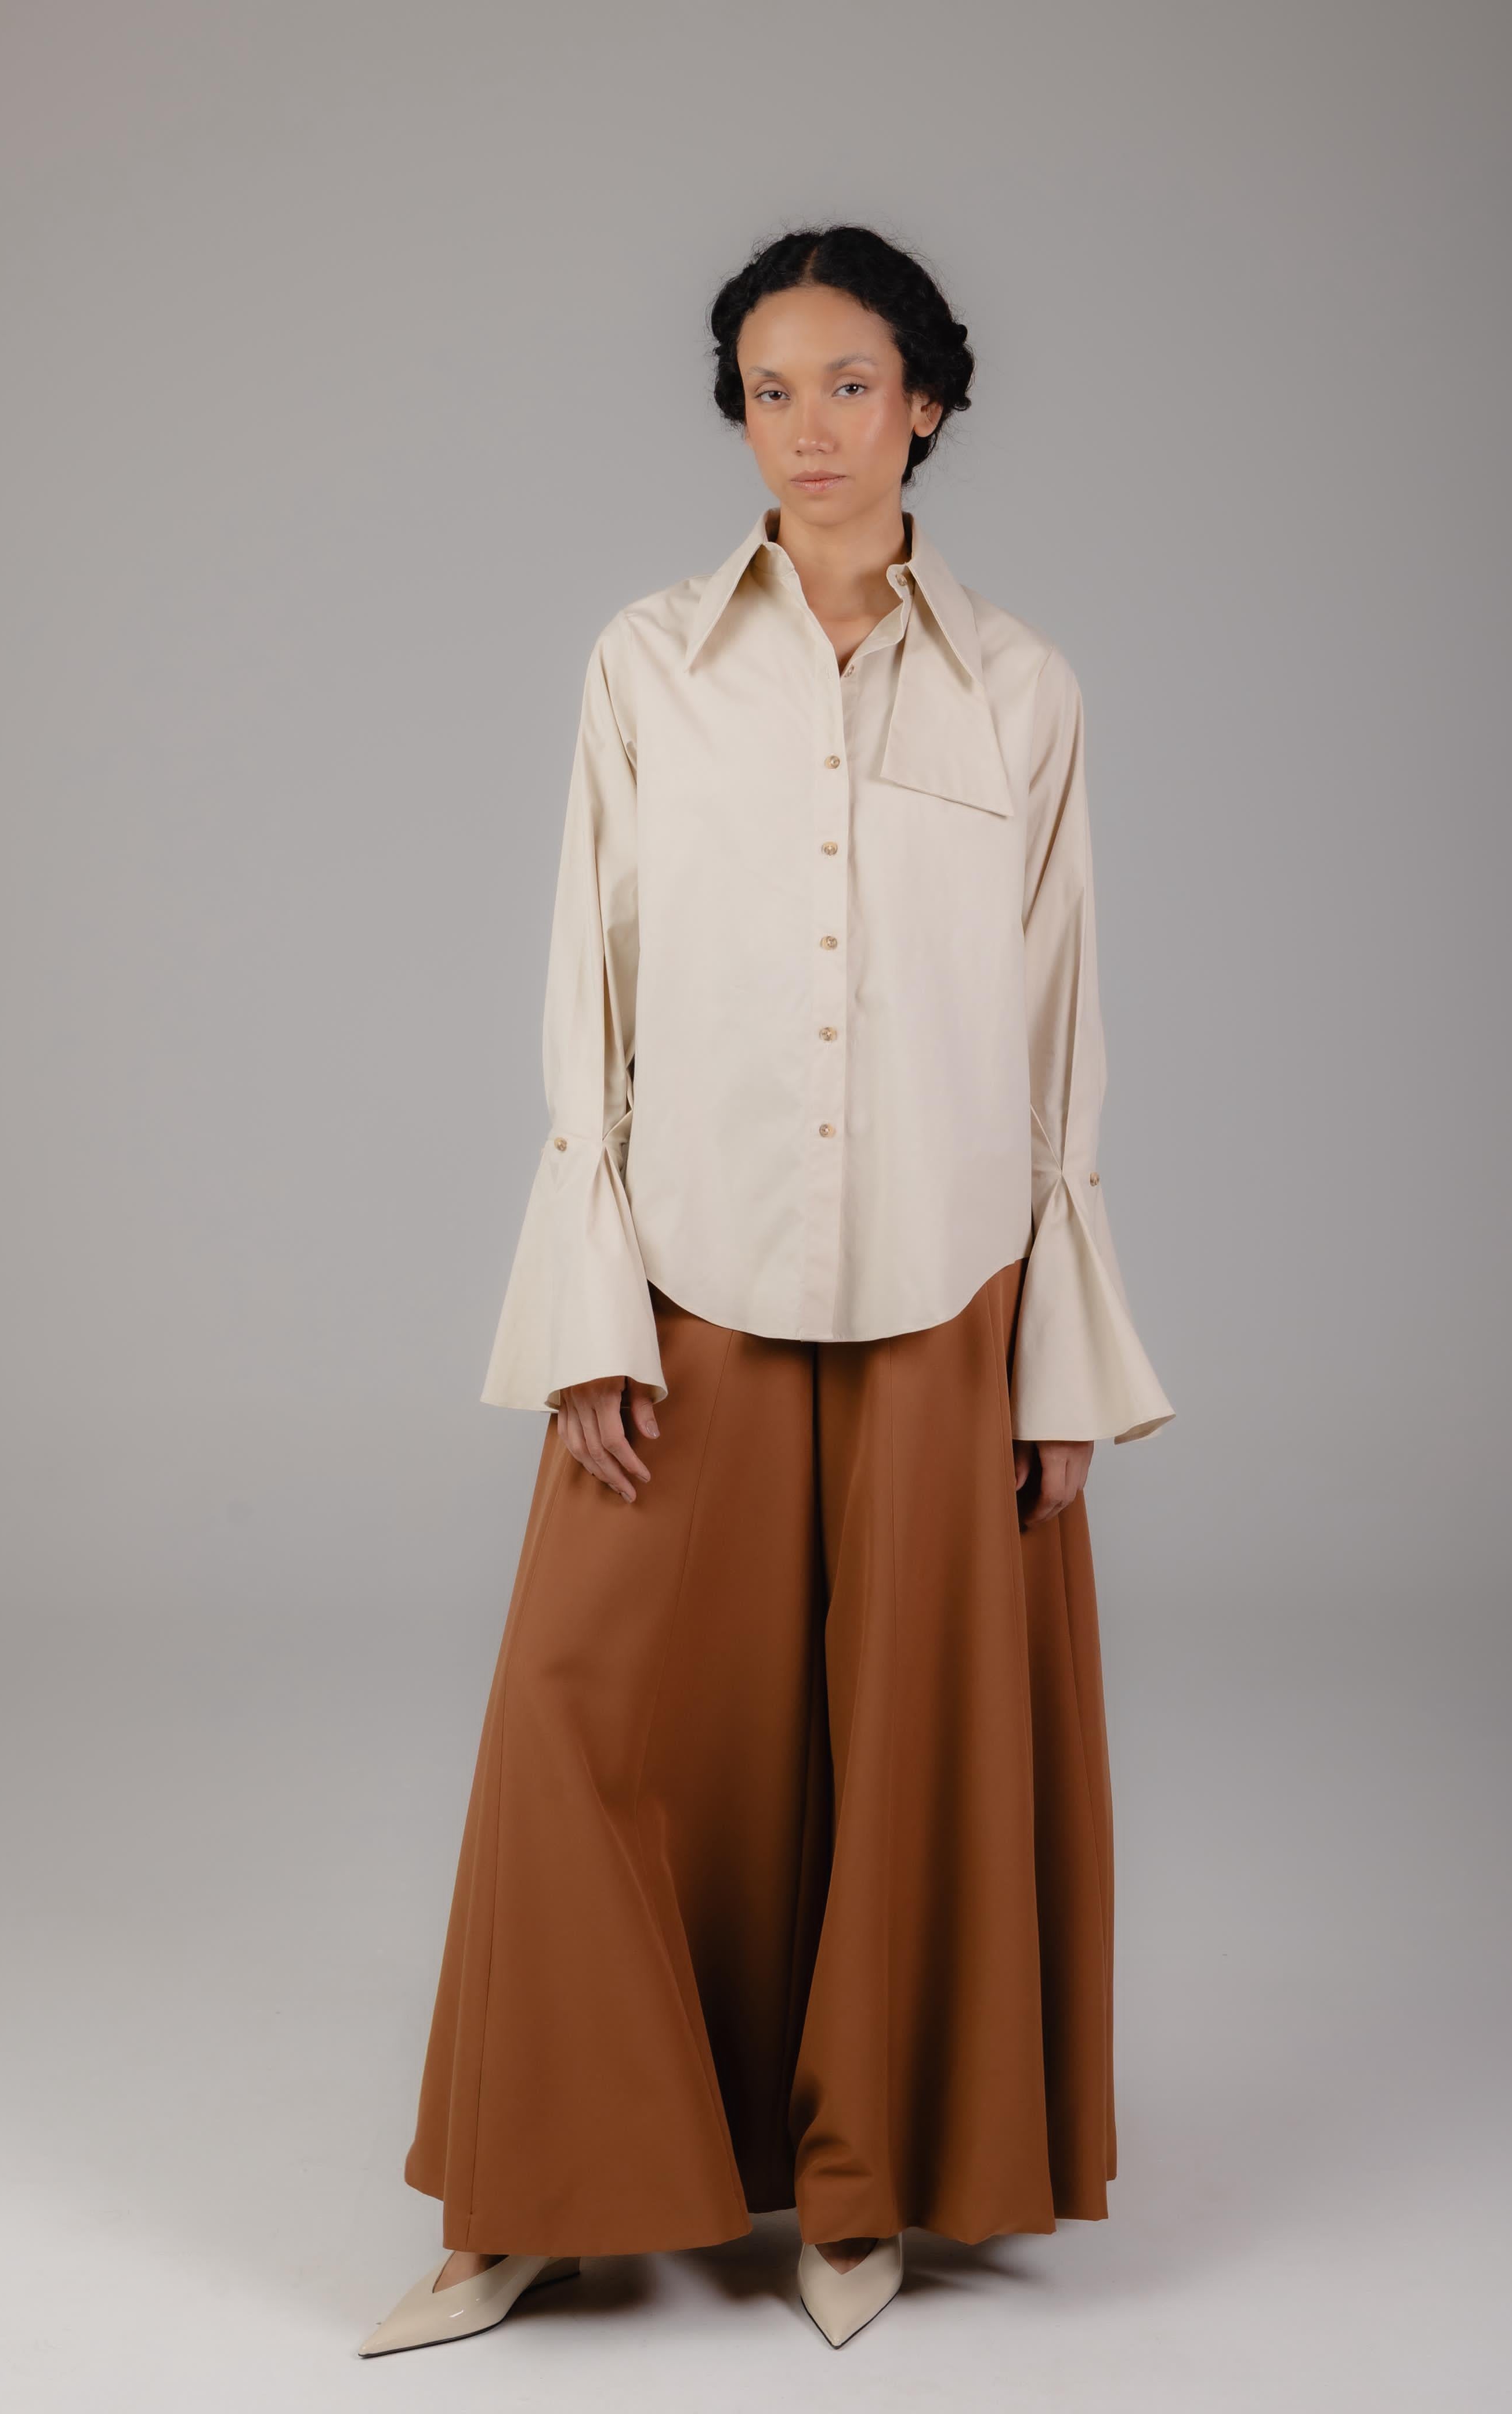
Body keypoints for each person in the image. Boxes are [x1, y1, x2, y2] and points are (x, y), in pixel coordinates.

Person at [359, 223, 1173, 2358]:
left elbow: (1059, 1029)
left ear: (929, 403)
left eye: (849, 383)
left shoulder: (1022, 690)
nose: (806, 427)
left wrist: (1059, 1362)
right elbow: (589, 993)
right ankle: (533, 2198)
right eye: (767, 388)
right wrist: (589, 1314)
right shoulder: (648, 665)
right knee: (590, 1713)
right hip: (694, 1269)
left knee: (913, 1750)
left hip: (947, 1286)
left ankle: (862, 2187)